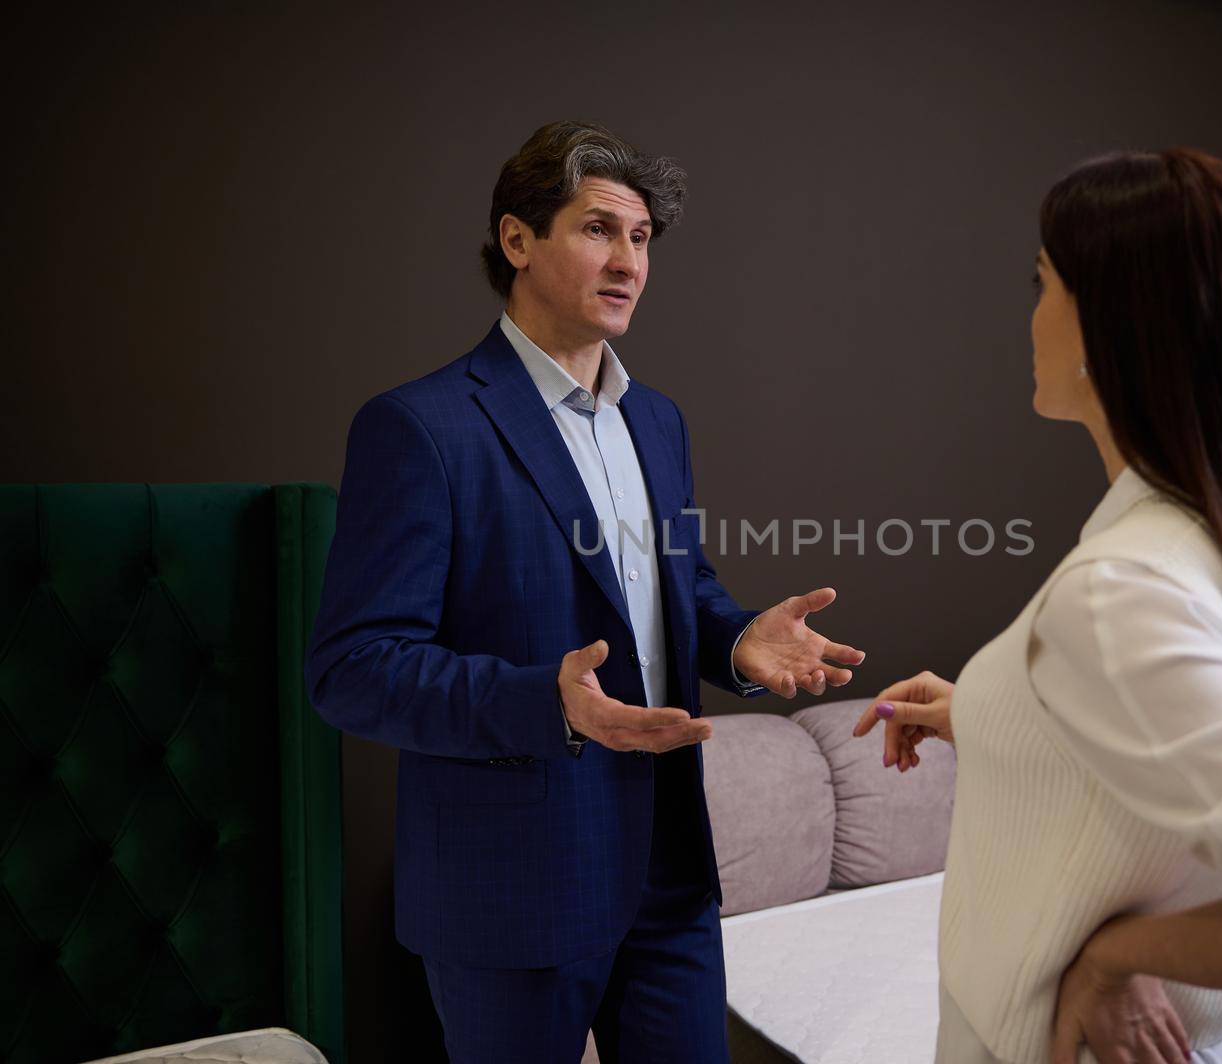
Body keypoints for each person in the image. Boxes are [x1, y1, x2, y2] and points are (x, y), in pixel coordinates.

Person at [304, 120, 865, 1064]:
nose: (629, 262)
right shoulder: (420, 428)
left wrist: (734, 643)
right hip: (511, 892)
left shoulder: (658, 420)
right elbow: (353, 671)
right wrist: (547, 705)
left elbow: (678, 589)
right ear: (517, 241)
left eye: (641, 239)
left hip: (670, 875)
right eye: (600, 230)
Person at [855, 148, 1222, 1064]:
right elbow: (1150, 767)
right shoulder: (1214, 536)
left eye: (1042, 283)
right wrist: (985, 712)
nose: (1029, 316)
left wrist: (1113, 960)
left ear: (1116, 318)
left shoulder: (1120, 592)